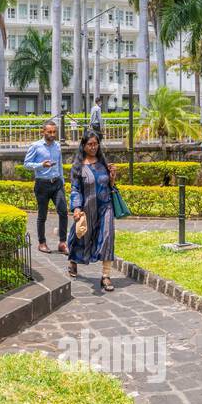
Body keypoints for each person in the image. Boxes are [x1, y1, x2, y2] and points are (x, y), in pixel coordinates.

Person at [68, 131, 119, 292]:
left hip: (106, 207)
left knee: (107, 236)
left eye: (95, 144)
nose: (93, 147)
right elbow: (75, 189)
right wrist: (76, 208)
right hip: (87, 209)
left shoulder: (103, 163)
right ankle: (73, 261)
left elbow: (109, 186)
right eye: (90, 144)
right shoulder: (78, 167)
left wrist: (112, 177)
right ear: (83, 146)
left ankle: (105, 276)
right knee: (81, 236)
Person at [23, 122, 68, 255]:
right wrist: (41, 165)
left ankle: (62, 243)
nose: (52, 134)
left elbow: (59, 164)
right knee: (42, 215)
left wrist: (62, 180)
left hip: (57, 183)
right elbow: (26, 164)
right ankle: (42, 243)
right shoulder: (35, 146)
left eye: (54, 132)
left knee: (63, 212)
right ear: (43, 132)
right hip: (42, 184)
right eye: (49, 132)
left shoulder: (58, 146)